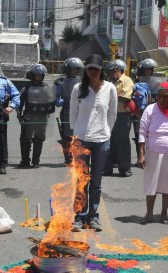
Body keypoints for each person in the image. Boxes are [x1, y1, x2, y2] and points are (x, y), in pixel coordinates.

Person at [69, 54, 117, 232]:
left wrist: (106, 132)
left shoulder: (110, 88)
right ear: (85, 70)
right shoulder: (78, 89)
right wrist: (76, 133)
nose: (93, 72)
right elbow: (72, 113)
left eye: (96, 69)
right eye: (89, 68)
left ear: (101, 70)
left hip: (101, 141)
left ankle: (93, 216)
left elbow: (112, 114)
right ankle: (79, 216)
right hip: (81, 140)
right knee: (81, 181)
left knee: (96, 182)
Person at [136, 82, 168, 225]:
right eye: (158, 96)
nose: (161, 99)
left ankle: (164, 213)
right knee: (151, 184)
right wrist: (141, 155)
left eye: (165, 97)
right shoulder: (150, 109)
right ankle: (149, 214)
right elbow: (142, 132)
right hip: (153, 152)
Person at [17, 64, 55, 168]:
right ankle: (25, 160)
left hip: (41, 118)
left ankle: (36, 161)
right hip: (28, 117)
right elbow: (20, 103)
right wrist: (19, 114)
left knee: (39, 139)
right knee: (25, 139)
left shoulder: (46, 88)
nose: (39, 76)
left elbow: (50, 102)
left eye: (41, 75)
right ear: (33, 75)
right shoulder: (26, 88)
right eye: (37, 75)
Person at [104, 59, 134, 177]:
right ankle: (107, 168)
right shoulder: (109, 82)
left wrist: (109, 96)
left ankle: (125, 169)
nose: (109, 75)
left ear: (116, 71)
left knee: (122, 143)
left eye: (110, 72)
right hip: (109, 115)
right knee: (108, 142)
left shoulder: (126, 80)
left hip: (122, 115)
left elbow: (125, 97)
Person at [55, 57, 83, 165]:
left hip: (81, 112)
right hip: (66, 111)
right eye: (73, 69)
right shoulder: (60, 82)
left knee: (80, 136)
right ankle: (68, 158)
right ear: (67, 69)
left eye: (77, 69)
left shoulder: (82, 82)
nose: (75, 71)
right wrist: (67, 101)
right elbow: (57, 101)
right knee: (67, 137)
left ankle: (79, 157)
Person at [131, 58, 158, 160]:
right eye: (147, 70)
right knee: (139, 134)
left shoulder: (156, 82)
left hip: (153, 111)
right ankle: (140, 156)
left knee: (153, 134)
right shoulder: (136, 83)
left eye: (150, 69)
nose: (149, 72)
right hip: (140, 112)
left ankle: (151, 157)